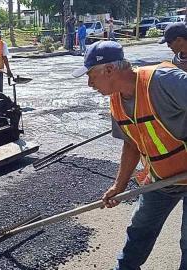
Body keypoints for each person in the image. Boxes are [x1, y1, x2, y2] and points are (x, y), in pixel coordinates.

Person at [72, 41, 187, 269]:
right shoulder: (116, 101)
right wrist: (119, 186)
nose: (89, 84)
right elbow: (131, 145)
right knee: (140, 229)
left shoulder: (164, 81)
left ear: (109, 69)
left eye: (91, 76)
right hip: (161, 179)